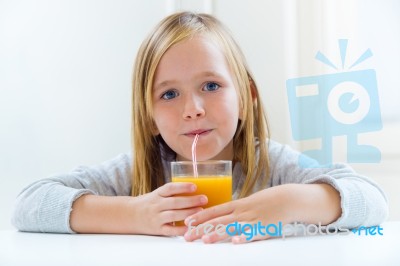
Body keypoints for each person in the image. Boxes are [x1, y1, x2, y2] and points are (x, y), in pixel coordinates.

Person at [12, 11, 388, 244]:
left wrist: (290, 203)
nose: (192, 109)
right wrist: (136, 214)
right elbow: (29, 204)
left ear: (247, 96)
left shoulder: (272, 166)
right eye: (170, 94)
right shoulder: (138, 172)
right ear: (148, 116)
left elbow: (372, 202)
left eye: (211, 86)